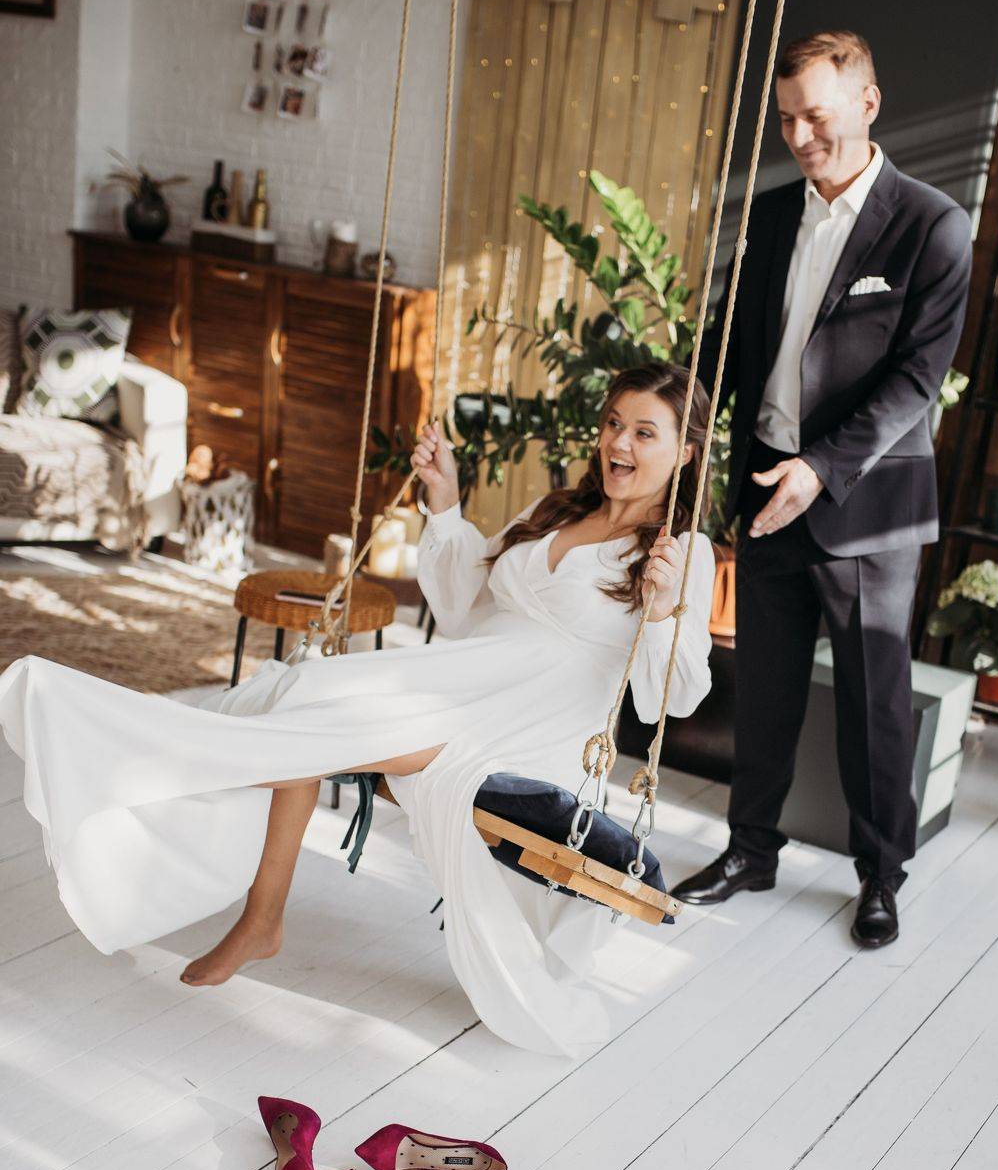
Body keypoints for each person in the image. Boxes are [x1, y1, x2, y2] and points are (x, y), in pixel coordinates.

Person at [0, 362, 715, 1057]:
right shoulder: (556, 510)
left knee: (312, 720)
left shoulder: (680, 552)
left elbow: (674, 696)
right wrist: (445, 499)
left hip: (529, 723)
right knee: (306, 688)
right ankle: (256, 910)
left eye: (644, 433)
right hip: (460, 677)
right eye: (613, 423)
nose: (619, 443)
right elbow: (464, 604)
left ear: (684, 452)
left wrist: (662, 611)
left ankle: (129, 760)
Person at [671, 30, 973, 949]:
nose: (798, 137)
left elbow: (915, 381)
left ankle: (880, 875)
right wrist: (675, 425)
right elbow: (730, 341)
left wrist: (822, 468)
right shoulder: (770, 214)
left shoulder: (930, 226)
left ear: (867, 104)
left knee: (871, 705)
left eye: (815, 116)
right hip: (767, 486)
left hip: (863, 507)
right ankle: (748, 850)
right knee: (763, 690)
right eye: (785, 120)